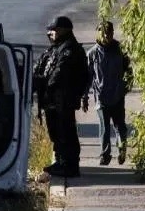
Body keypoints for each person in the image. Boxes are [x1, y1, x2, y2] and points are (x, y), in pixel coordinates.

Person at [38, 16, 90, 178]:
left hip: (64, 99)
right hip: (54, 100)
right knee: (56, 132)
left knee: (66, 132)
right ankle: (60, 162)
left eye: (53, 30)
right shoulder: (56, 48)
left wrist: (48, 86)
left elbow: (60, 73)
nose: (50, 34)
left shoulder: (70, 49)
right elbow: (42, 67)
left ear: (62, 31)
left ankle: (70, 166)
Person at [87, 21, 132, 166]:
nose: (107, 36)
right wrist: (83, 97)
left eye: (110, 33)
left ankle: (122, 150)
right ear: (99, 33)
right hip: (101, 97)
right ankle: (105, 155)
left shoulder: (120, 50)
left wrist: (126, 86)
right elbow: (87, 76)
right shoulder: (93, 53)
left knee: (120, 127)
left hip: (118, 94)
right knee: (104, 128)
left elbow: (128, 70)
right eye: (105, 33)